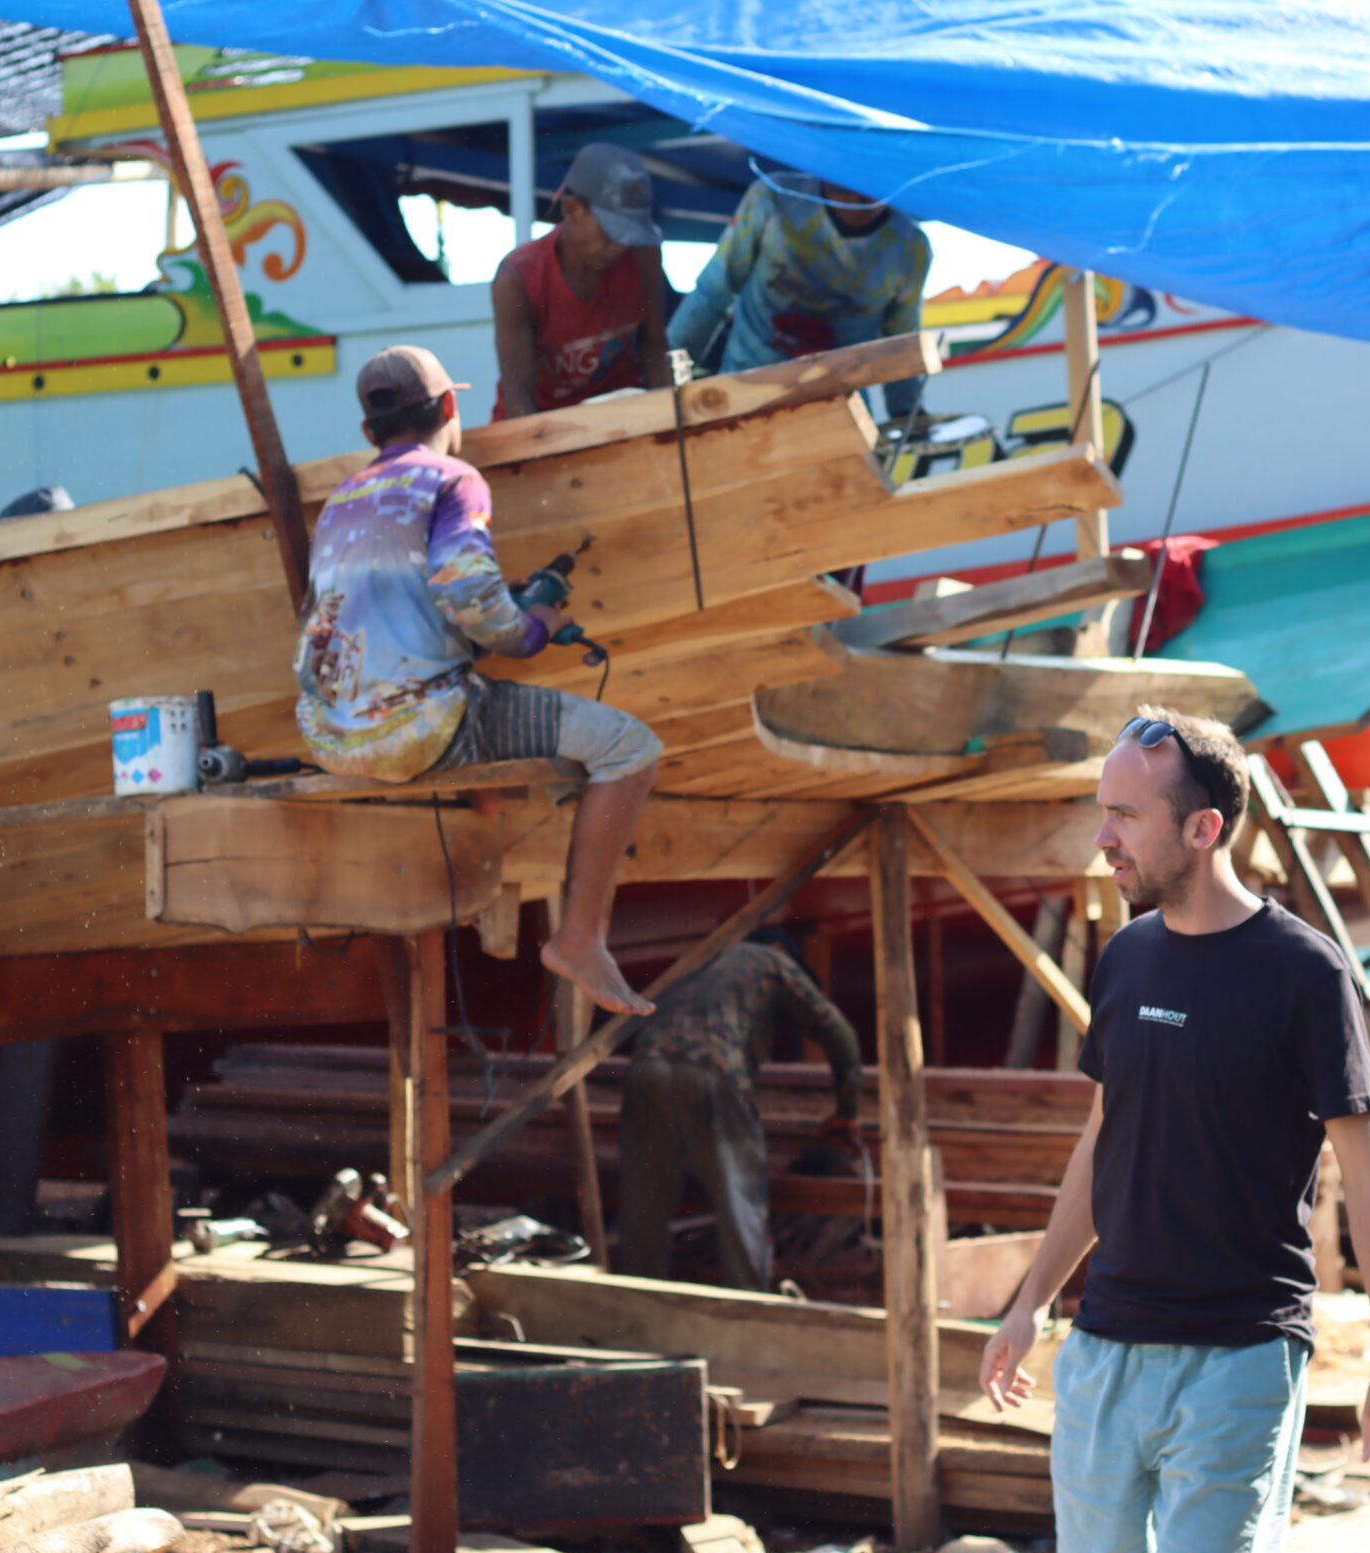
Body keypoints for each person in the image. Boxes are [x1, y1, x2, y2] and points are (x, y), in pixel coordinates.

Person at [978, 708, 1370, 1553]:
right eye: (1103, 813)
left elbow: (1367, 1171)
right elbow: (1104, 1141)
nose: (1104, 838)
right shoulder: (1127, 958)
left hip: (1238, 1351)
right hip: (1108, 1351)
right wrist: (1030, 1301)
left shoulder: (1303, 972)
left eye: (1125, 817)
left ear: (1202, 830)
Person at [294, 346, 663, 1015]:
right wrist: (531, 630)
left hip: (333, 734)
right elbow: (467, 590)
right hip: (421, 732)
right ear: (450, 407)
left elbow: (386, 621)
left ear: (368, 434)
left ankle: (519, 856)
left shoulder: (341, 502)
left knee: (527, 732)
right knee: (628, 748)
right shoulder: (453, 479)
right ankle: (577, 938)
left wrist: (491, 611)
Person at [618, 934, 863, 1290]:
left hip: (646, 1069)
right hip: (714, 1074)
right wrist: (847, 1112)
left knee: (644, 1202)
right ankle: (749, 1306)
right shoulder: (775, 961)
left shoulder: (703, 953)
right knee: (740, 1202)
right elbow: (839, 1034)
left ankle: (634, 1302)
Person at [668, 175, 933, 421]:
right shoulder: (773, 198)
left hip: (841, 410)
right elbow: (714, 290)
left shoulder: (910, 246)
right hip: (744, 395)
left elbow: (901, 337)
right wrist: (668, 381)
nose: (855, 198)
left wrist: (906, 412)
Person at [491, 142, 672, 420]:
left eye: (629, 235)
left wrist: (669, 424)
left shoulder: (643, 255)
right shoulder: (517, 278)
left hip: (622, 420)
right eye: (612, 232)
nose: (619, 247)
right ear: (573, 210)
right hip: (542, 426)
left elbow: (655, 346)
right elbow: (519, 393)